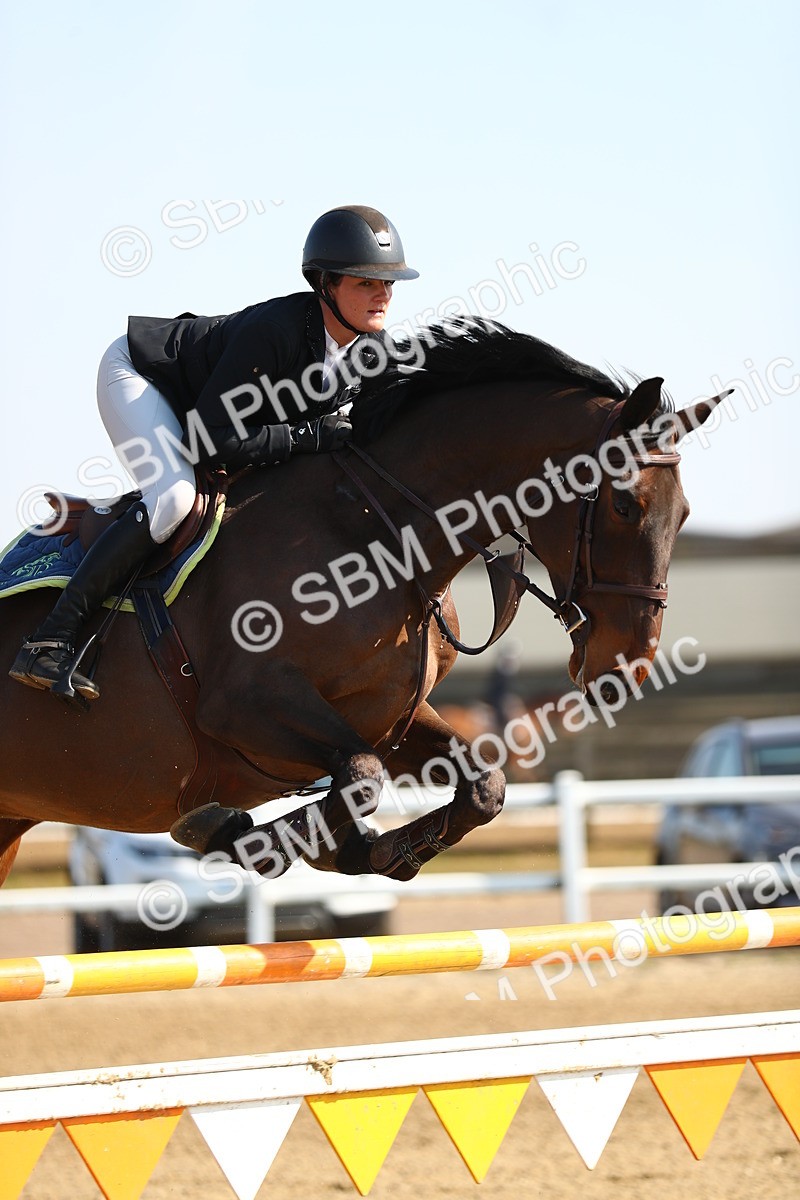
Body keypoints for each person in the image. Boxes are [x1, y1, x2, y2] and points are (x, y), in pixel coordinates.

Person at [9, 205, 419, 704]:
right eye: (365, 282)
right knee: (174, 499)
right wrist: (309, 436)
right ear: (326, 285)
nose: (382, 295)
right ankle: (51, 638)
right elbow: (207, 439)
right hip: (141, 379)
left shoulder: (375, 348)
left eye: (389, 284)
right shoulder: (277, 332)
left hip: (207, 414)